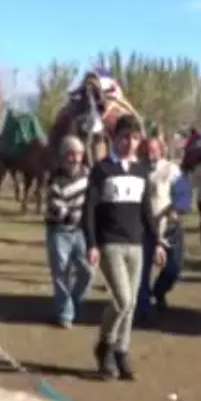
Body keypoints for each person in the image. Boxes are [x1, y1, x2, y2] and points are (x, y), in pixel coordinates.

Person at [83, 115, 165, 381]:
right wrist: (91, 244)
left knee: (129, 306)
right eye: (125, 138)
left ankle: (121, 351)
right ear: (114, 139)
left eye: (134, 138)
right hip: (110, 244)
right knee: (123, 300)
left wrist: (158, 241)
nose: (130, 143)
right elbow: (90, 210)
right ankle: (104, 346)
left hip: (136, 245)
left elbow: (146, 210)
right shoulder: (102, 169)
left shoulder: (141, 171)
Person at [136, 138, 191, 327]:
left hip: (169, 227)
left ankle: (159, 292)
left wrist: (177, 208)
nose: (151, 153)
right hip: (144, 228)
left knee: (174, 267)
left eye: (154, 150)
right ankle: (143, 309)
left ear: (161, 151)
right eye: (148, 150)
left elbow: (183, 192)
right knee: (142, 271)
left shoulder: (171, 169)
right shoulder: (136, 169)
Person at [44, 136, 93, 328]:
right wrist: (72, 214)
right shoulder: (54, 179)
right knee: (61, 273)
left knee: (87, 272)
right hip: (59, 231)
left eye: (79, 154)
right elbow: (56, 205)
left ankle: (71, 301)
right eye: (71, 154)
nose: (75, 158)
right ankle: (65, 313)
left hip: (80, 231)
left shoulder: (88, 175)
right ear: (63, 156)